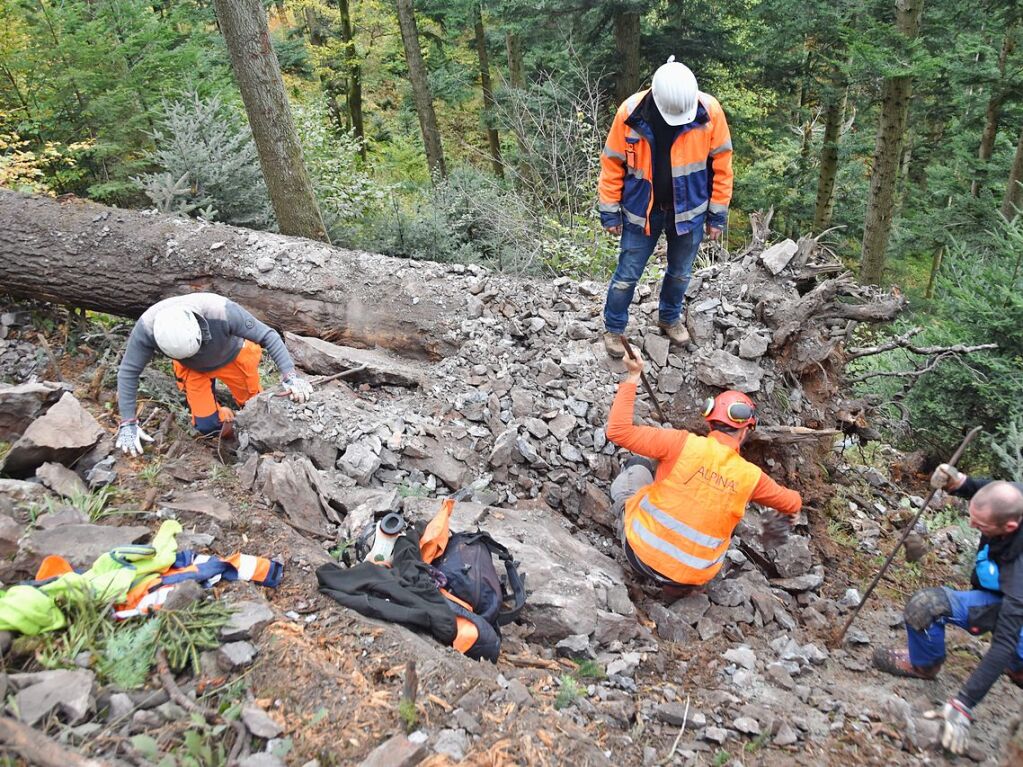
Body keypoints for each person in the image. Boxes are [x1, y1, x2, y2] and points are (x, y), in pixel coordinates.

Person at [605, 349, 801, 591]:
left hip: (639, 556)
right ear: (746, 431)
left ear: (709, 422)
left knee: (639, 466)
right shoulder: (751, 477)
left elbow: (617, 431)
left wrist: (633, 376)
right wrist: (780, 525)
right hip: (692, 577)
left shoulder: (681, 443)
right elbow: (792, 502)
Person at [873, 465, 1023, 756]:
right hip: (994, 592)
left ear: (1010, 527)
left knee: (1013, 647)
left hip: (1014, 606)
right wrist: (959, 483)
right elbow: (988, 491)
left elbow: (1001, 644)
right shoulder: (1015, 497)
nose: (973, 527)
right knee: (925, 607)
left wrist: (963, 704)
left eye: (981, 526)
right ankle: (924, 664)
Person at [597, 55, 733, 359]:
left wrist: (717, 215)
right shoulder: (630, 112)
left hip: (690, 211)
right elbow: (612, 163)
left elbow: (723, 167)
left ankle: (669, 318)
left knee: (681, 273)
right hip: (641, 211)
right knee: (627, 274)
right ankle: (614, 328)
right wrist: (609, 210)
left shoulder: (709, 112)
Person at [115, 293, 313, 455]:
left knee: (255, 407)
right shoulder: (148, 328)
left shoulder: (222, 311)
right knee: (207, 425)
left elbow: (268, 336)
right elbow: (128, 372)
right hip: (193, 369)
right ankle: (231, 421)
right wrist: (128, 422)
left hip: (234, 357)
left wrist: (290, 376)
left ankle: (252, 430)